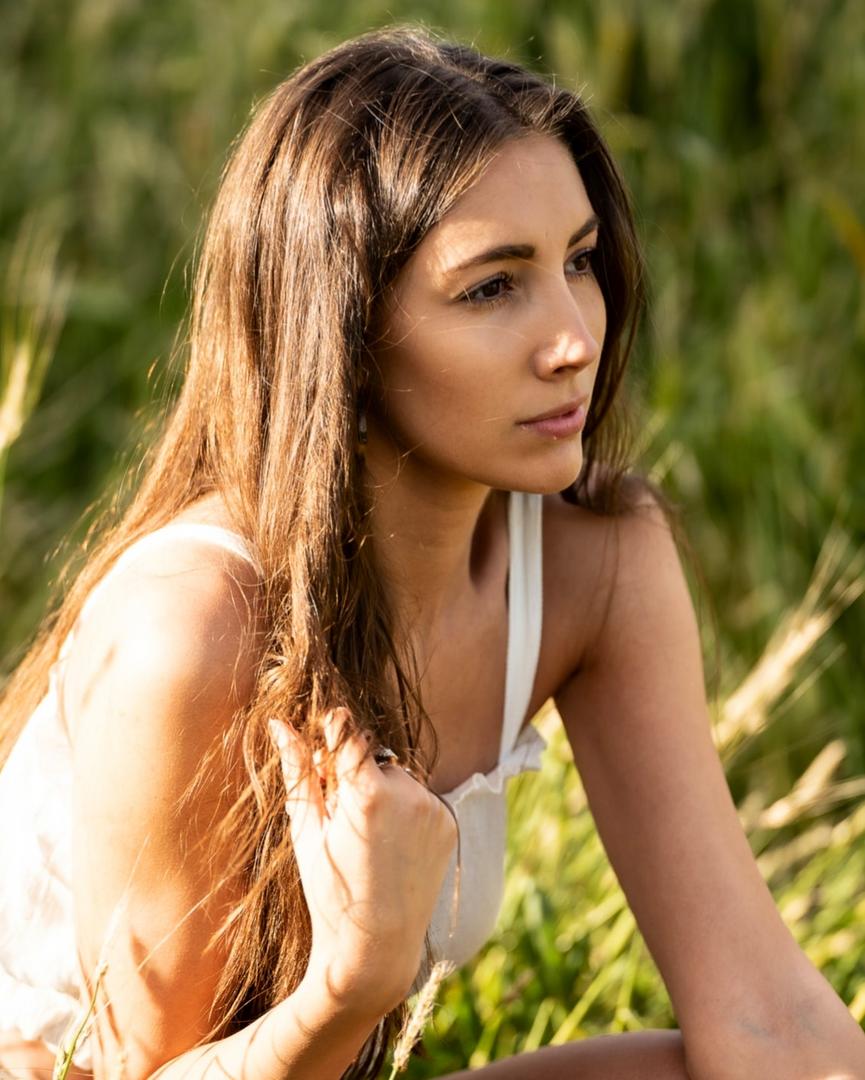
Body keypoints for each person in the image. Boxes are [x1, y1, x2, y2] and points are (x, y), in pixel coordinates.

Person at [0, 25, 863, 1080]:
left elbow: (768, 1022)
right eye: (493, 287)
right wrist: (351, 983)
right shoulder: (191, 628)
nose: (574, 340)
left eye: (578, 261)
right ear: (343, 331)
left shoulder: (597, 564)